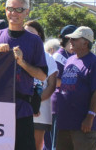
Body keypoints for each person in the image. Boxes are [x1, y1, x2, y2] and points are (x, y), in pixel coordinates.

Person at [0, 0, 47, 150]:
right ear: (5, 10)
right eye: (10, 9)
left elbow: (42, 75)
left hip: (21, 109)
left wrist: (22, 62)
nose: (14, 13)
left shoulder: (34, 41)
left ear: (27, 12)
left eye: (19, 9)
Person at [56, 26, 96, 150]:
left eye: (75, 39)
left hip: (83, 124)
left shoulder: (95, 63)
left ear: (85, 43)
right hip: (65, 122)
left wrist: (90, 117)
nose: (71, 41)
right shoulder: (70, 60)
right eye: (71, 39)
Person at [24, 20, 58, 150]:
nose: (28, 36)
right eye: (25, 32)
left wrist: (35, 102)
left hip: (40, 110)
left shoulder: (48, 58)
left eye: (32, 33)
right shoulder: (17, 55)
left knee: (37, 146)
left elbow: (51, 86)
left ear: (40, 36)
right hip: (20, 109)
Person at [50, 25, 77, 149]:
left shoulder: (72, 55)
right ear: (67, 39)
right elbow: (54, 80)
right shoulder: (58, 56)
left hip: (70, 104)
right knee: (56, 141)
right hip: (58, 104)